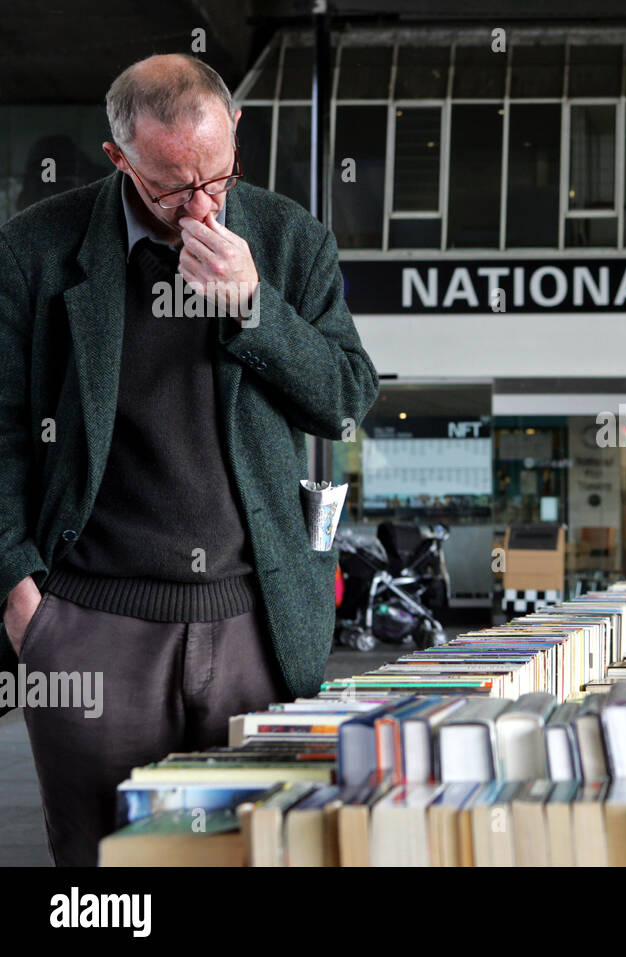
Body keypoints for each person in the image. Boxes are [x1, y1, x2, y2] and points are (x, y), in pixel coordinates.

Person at [0, 55, 380, 865]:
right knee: (107, 871)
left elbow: (347, 397)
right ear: (120, 160)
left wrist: (254, 307)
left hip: (257, 621)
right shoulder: (34, 250)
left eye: (218, 174)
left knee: (260, 851)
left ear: (235, 129)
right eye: (172, 187)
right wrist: (21, 598)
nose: (203, 205)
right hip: (90, 627)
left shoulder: (288, 241)